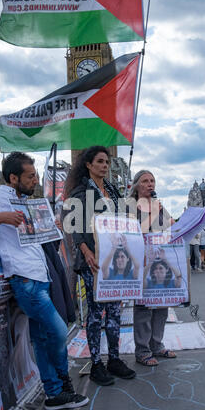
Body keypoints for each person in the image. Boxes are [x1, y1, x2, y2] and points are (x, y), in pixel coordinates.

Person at [0, 152, 89, 410]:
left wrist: (52, 227)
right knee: (58, 331)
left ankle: (54, 394)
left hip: (41, 276)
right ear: (13, 178)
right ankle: (64, 382)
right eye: (30, 176)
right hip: (24, 280)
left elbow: (43, 244)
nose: (35, 180)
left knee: (43, 339)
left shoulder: (29, 202)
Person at [64, 145, 136, 386]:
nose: (105, 165)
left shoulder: (114, 191)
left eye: (107, 162)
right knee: (96, 313)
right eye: (100, 161)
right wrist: (86, 252)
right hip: (92, 260)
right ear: (88, 164)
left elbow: (123, 221)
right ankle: (96, 363)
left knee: (115, 311)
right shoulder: (80, 192)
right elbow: (75, 227)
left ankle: (114, 359)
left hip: (115, 259)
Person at [127, 170, 177, 366]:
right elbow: (127, 232)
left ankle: (157, 344)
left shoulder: (158, 205)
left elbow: (171, 227)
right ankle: (143, 350)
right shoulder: (129, 207)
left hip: (160, 262)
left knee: (161, 305)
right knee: (144, 307)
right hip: (141, 262)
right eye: (145, 181)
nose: (150, 184)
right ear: (136, 185)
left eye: (152, 181)